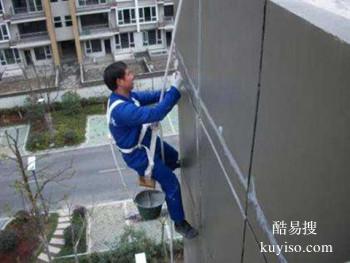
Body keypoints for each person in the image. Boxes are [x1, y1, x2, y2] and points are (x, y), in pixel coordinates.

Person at [104, 61, 198, 239]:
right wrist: (175, 91)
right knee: (171, 184)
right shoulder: (121, 110)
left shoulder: (125, 96)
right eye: (129, 73)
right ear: (119, 82)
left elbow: (152, 96)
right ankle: (180, 223)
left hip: (144, 140)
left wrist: (170, 90)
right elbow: (156, 114)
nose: (133, 76)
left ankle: (164, 170)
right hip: (139, 155)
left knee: (172, 157)